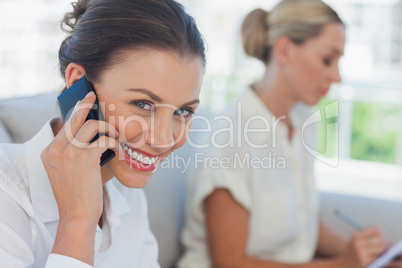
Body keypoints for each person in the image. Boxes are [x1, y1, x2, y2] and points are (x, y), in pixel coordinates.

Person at [178, 0, 401, 267]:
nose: (337, 76)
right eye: (328, 59)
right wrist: (342, 264)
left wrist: (371, 254)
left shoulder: (303, 122)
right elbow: (230, 262)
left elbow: (303, 224)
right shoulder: (230, 137)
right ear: (284, 50)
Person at [0, 0, 205, 267]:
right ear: (78, 83)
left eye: (183, 111)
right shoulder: (8, 195)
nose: (164, 140)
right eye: (143, 105)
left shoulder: (125, 193)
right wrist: (78, 221)